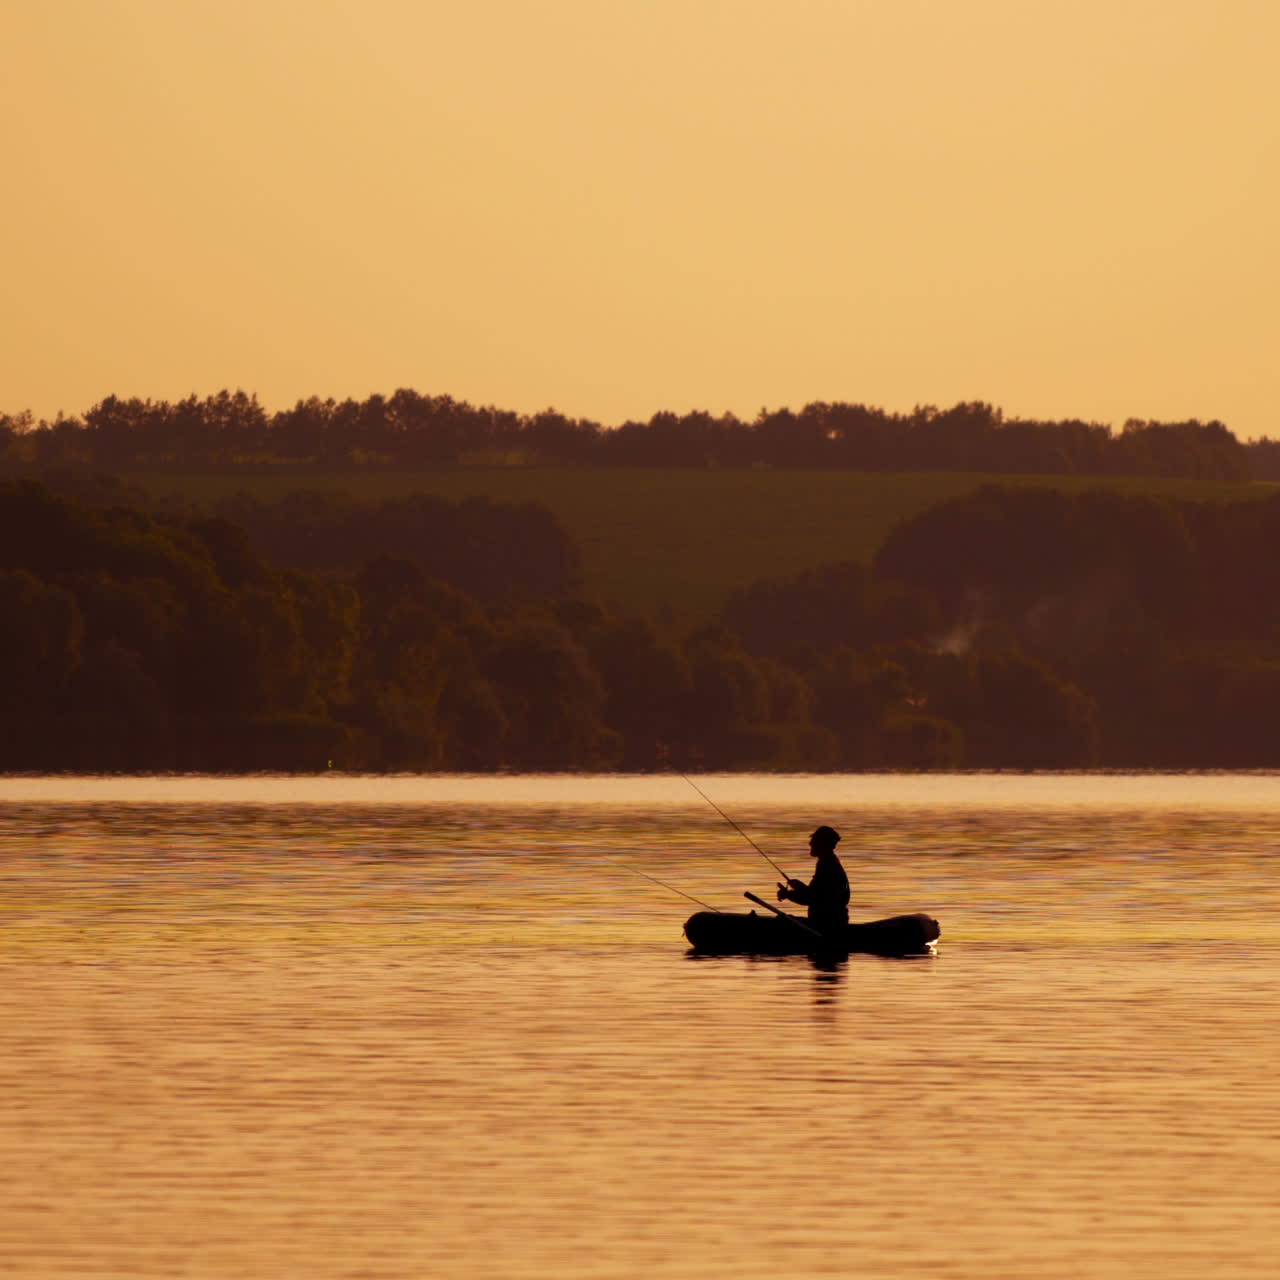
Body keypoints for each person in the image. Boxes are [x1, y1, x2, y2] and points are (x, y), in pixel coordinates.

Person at [777, 825, 849, 934]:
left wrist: (789, 894)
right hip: (829, 923)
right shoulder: (828, 863)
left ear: (823, 844)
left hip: (826, 926)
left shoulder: (828, 866)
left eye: (814, 840)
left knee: (781, 922)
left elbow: (813, 899)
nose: (810, 843)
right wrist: (798, 888)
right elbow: (817, 895)